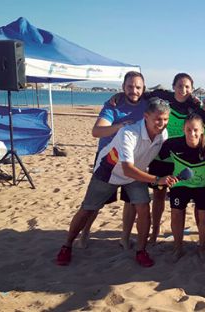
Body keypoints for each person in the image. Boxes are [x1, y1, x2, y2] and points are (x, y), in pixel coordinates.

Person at [56, 98, 176, 267]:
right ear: (146, 116)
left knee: (143, 208)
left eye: (165, 119)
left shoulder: (163, 134)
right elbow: (127, 168)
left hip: (136, 174)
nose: (162, 123)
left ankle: (141, 251)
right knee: (88, 209)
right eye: (158, 119)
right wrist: (157, 179)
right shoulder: (128, 133)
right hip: (109, 170)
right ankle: (67, 245)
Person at [79, 71, 149, 250]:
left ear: (143, 88)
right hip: (109, 160)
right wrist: (119, 127)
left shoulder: (147, 104)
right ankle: (85, 232)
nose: (134, 90)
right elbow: (96, 131)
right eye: (130, 87)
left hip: (133, 159)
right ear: (123, 87)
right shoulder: (113, 106)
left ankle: (124, 238)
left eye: (138, 87)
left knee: (131, 202)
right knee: (96, 202)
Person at [148, 113, 205, 260]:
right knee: (176, 213)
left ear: (202, 130)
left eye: (195, 130)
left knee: (202, 216)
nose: (192, 133)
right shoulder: (172, 144)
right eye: (188, 129)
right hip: (180, 185)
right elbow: (155, 158)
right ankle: (178, 247)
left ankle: (201, 247)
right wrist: (156, 179)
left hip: (202, 186)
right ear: (183, 129)